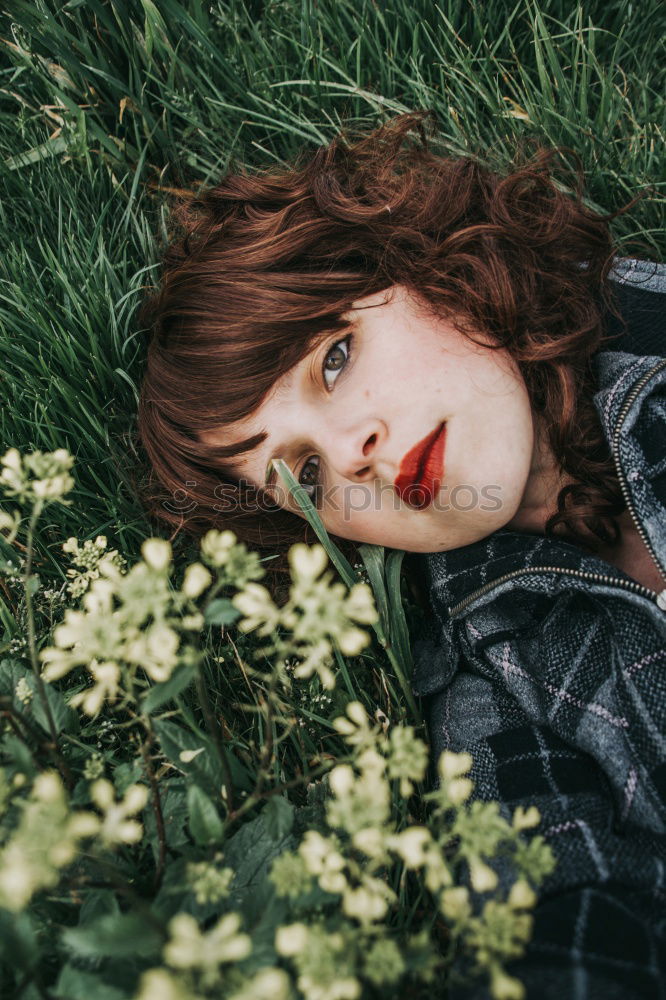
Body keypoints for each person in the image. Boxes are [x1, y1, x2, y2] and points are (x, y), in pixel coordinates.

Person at [136, 112, 666, 997]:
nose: (350, 453)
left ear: (425, 269)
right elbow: (556, 919)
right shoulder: (491, 687)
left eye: (335, 358)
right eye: (303, 472)